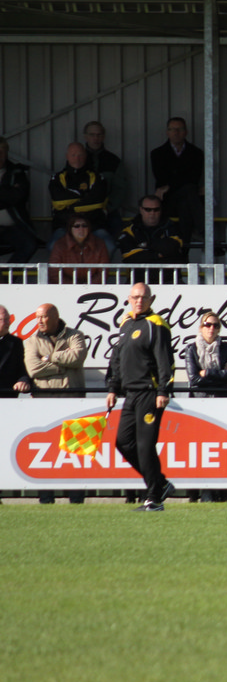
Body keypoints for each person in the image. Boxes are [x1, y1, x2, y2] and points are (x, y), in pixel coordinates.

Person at [105, 283, 176, 512]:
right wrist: (113, 388)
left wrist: (163, 390)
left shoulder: (156, 324)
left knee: (145, 446)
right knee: (123, 442)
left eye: (144, 297)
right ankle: (160, 484)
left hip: (149, 392)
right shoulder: (125, 323)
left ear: (151, 300)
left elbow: (166, 360)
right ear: (128, 299)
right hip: (130, 393)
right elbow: (117, 358)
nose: (139, 301)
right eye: (135, 297)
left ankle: (154, 499)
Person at [23, 303, 87, 504]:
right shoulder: (31, 341)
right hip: (44, 404)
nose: (39, 321)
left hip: (73, 402)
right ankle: (46, 498)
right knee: (46, 452)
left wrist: (50, 357)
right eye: (37, 317)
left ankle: (76, 498)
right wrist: (61, 368)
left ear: (55, 317)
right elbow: (33, 368)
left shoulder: (75, 335)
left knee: (75, 453)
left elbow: (77, 358)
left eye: (43, 317)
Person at [183, 310, 227, 502]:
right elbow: (194, 379)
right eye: (207, 324)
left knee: (222, 450)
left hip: (222, 405)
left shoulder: (226, 348)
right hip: (199, 406)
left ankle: (221, 494)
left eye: (215, 325)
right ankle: (195, 494)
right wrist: (219, 373)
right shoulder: (191, 349)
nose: (211, 328)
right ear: (201, 327)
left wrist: (208, 373)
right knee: (197, 450)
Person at [48, 141, 116, 256]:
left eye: (80, 155)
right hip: (65, 226)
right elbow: (59, 202)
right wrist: (85, 197)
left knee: (109, 246)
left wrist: (71, 207)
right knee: (53, 246)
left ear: (85, 156)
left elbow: (97, 201)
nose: (77, 158)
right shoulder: (57, 178)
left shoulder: (97, 177)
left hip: (94, 225)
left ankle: (95, 269)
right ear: (67, 156)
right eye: (73, 155)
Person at [149, 117, 203, 246]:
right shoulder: (157, 154)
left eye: (180, 129)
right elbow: (161, 178)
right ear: (167, 132)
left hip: (186, 201)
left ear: (186, 132)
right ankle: (205, 233)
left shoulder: (196, 153)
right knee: (189, 190)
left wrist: (170, 185)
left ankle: (183, 250)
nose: (176, 133)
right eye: (172, 129)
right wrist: (181, 181)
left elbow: (194, 178)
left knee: (186, 201)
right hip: (169, 201)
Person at [117, 195, 186, 283]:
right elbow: (130, 258)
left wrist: (146, 245)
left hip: (170, 281)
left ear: (161, 210)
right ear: (141, 209)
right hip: (138, 282)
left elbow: (173, 248)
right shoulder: (129, 230)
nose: (152, 213)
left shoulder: (171, 226)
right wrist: (159, 254)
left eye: (156, 209)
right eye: (148, 209)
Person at [82, 121, 130, 238]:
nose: (96, 138)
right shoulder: (76, 159)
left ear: (103, 137)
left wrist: (107, 208)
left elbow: (120, 189)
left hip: (107, 211)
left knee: (119, 238)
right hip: (81, 211)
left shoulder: (113, 161)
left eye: (99, 135)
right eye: (92, 135)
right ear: (85, 136)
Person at [0, 136, 39, 263]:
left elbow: (19, 196)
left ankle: (8, 275)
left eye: (2, 151)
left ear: (6, 153)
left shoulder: (17, 172)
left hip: (13, 227)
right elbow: (12, 196)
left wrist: (10, 195)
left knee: (29, 244)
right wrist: (8, 192)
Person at [48, 214, 108, 284]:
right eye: (77, 226)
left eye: (84, 226)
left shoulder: (100, 244)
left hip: (92, 288)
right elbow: (54, 274)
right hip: (66, 288)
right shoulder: (59, 245)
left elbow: (103, 272)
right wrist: (74, 287)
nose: (81, 229)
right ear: (70, 229)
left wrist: (88, 286)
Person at [1, 303, 32, 398]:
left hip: (6, 398)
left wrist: (23, 381)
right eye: (2, 320)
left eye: (8, 319)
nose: (7, 323)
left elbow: (23, 369)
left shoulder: (16, 343)